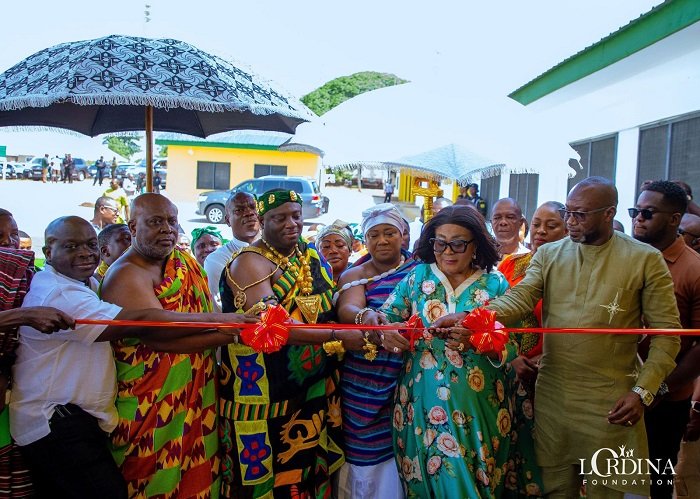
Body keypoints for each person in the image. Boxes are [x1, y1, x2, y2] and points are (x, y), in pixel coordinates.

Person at [446, 177, 681, 498]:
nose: (570, 221)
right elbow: (520, 299)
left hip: (611, 403)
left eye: (580, 214)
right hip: (555, 398)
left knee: (605, 492)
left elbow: (668, 336)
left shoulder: (644, 259)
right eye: (568, 212)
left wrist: (642, 393)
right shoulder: (550, 255)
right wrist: (472, 319)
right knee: (554, 489)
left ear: (609, 213)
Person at [13, 215, 253, 498]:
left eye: (91, 245)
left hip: (77, 420)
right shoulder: (60, 292)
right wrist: (225, 322)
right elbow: (144, 322)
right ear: (47, 252)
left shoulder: (84, 282)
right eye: (71, 247)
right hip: (57, 421)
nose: (85, 253)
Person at [100, 194, 257, 497]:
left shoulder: (183, 262)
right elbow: (162, 337)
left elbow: (204, 315)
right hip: (150, 408)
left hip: (197, 395)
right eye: (156, 222)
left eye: (172, 221)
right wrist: (232, 329)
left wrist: (234, 328)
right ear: (133, 226)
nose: (168, 229)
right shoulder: (124, 274)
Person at [220, 189, 364, 498]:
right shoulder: (249, 263)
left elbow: (329, 305)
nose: (291, 224)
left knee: (307, 475)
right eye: (279, 217)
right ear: (262, 220)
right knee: (266, 479)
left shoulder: (308, 255)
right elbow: (276, 326)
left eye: (296, 216)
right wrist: (339, 336)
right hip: (262, 393)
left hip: (311, 387)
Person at [379, 205, 513, 498]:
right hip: (421, 400)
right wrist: (388, 333)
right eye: (440, 243)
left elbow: (515, 342)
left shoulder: (496, 283)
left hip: (480, 404)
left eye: (458, 243)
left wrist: (482, 340)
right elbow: (385, 318)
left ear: (476, 244)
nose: (448, 251)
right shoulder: (417, 279)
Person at [334, 204, 418, 498]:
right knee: (366, 458)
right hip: (365, 383)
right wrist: (367, 317)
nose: (382, 241)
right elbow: (348, 308)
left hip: (409, 380)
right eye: (374, 235)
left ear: (404, 235)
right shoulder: (355, 274)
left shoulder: (420, 271)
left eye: (389, 233)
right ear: (365, 240)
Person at [631, 180, 700, 498]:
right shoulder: (625, 259)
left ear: (674, 219)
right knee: (610, 476)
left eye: (647, 212)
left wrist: (657, 387)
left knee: (655, 482)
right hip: (619, 390)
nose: (638, 218)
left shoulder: (693, 269)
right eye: (635, 211)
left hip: (666, 399)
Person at [0, 209, 73, 497]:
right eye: (0, 237)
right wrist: (22, 316)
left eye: (14, 234)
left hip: (17, 405)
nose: (10, 243)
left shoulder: (28, 278)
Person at [499, 201, 567, 497]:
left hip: (551, 374)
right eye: (537, 224)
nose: (540, 231)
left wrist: (544, 356)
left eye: (551, 226)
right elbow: (497, 309)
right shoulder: (512, 265)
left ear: (570, 229)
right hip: (508, 368)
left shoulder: (571, 272)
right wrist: (509, 355)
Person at [204, 191, 260, 312]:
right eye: (239, 210)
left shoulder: (276, 251)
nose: (249, 213)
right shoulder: (216, 260)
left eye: (253, 207)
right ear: (228, 220)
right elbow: (220, 309)